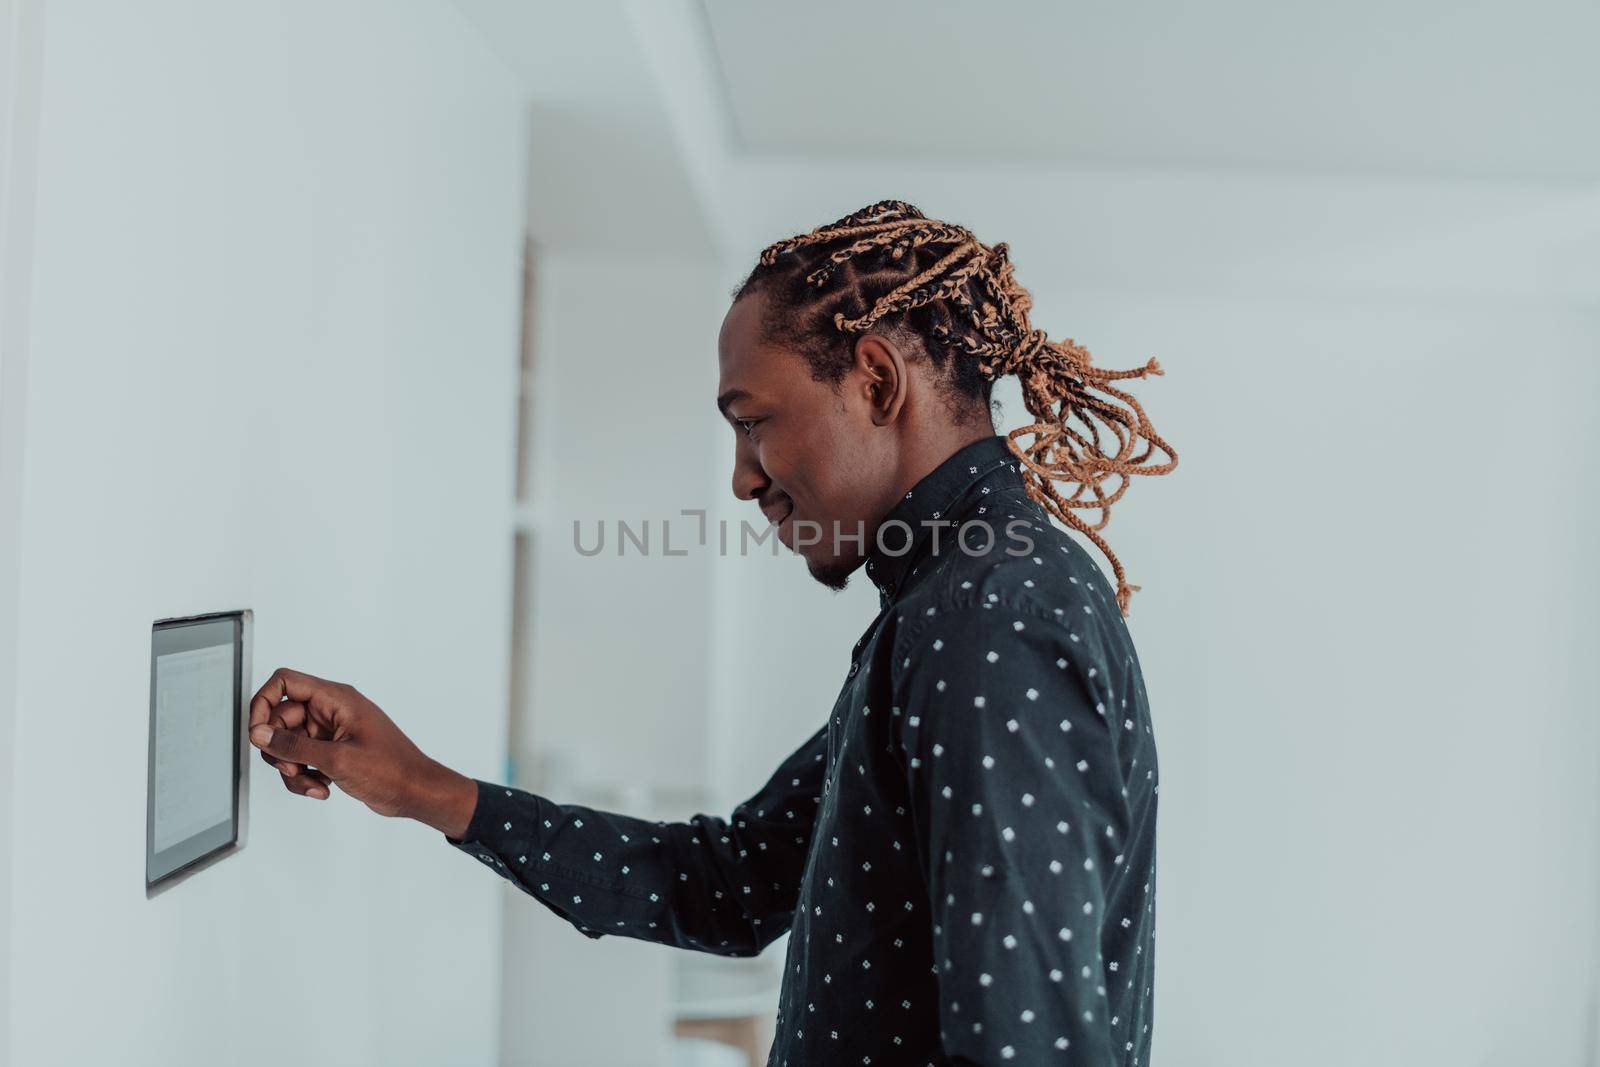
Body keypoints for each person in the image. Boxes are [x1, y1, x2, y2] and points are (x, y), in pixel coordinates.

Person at [248, 201, 1177, 1066]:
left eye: (753, 422)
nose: (742, 478)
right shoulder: (948, 604)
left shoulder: (988, 616)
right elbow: (726, 883)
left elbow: (1031, 1047)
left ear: (878, 384)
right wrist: (418, 786)